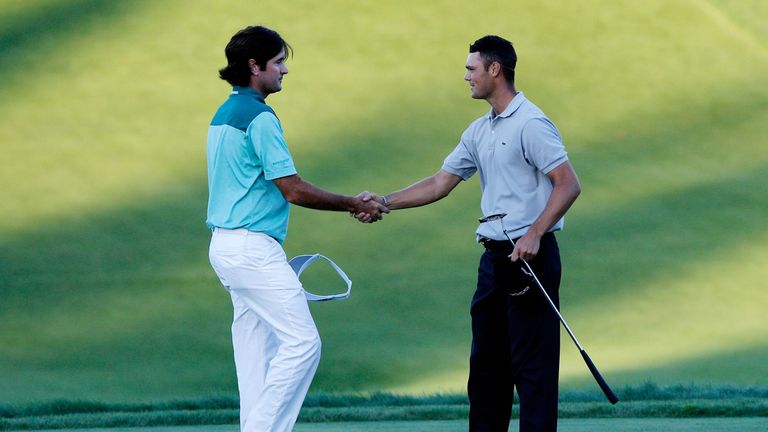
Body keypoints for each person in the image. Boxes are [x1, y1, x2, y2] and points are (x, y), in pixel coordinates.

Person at [360, 35, 581, 432]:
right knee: (486, 369)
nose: (466, 77)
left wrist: (533, 235)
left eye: (471, 68)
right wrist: (384, 202)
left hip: (531, 258)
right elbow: (440, 183)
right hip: (495, 261)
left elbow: (568, 184)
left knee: (533, 371)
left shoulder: (532, 124)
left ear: (494, 70)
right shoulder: (479, 130)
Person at [205, 26, 388, 432]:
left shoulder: (224, 113)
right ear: (255, 66)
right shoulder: (260, 117)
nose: (284, 71)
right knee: (303, 344)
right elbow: (293, 190)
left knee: (256, 353)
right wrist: (353, 204)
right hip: (252, 250)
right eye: (278, 62)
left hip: (228, 247)